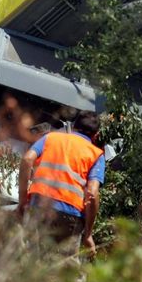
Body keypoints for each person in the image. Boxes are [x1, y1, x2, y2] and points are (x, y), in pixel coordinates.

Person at [16, 110, 104, 258]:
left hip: (38, 206)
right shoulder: (95, 154)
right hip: (70, 215)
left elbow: (27, 159)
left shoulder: (50, 138)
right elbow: (92, 192)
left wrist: (22, 202)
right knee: (64, 270)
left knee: (31, 263)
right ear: (95, 135)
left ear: (73, 126)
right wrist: (88, 234)